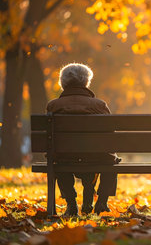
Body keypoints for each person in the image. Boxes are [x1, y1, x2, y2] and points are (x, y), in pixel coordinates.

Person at [46, 63, 120, 216]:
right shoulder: (99, 105)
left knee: (58, 158)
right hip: (97, 157)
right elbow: (111, 136)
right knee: (110, 160)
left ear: (63, 82)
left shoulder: (53, 106)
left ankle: (71, 204)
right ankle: (102, 202)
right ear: (86, 82)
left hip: (64, 157)